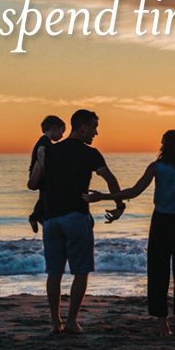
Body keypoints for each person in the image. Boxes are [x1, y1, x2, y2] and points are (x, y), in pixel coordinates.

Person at [84, 130, 175, 337]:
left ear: (164, 146)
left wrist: (104, 196)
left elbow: (134, 192)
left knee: (158, 272)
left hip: (161, 222)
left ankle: (163, 325)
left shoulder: (157, 167)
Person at [27, 109, 126, 334]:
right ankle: (71, 321)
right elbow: (110, 179)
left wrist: (42, 164)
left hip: (51, 219)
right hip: (76, 217)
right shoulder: (89, 153)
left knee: (54, 273)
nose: (96, 132)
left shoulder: (48, 152)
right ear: (82, 127)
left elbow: (33, 184)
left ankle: (55, 323)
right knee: (80, 271)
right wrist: (119, 206)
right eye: (93, 127)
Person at [28, 115, 65, 233]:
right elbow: (40, 152)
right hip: (40, 174)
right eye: (61, 131)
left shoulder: (45, 141)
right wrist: (48, 169)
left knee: (44, 195)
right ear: (54, 128)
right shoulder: (45, 141)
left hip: (42, 174)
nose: (62, 135)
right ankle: (35, 216)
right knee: (46, 195)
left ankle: (37, 216)